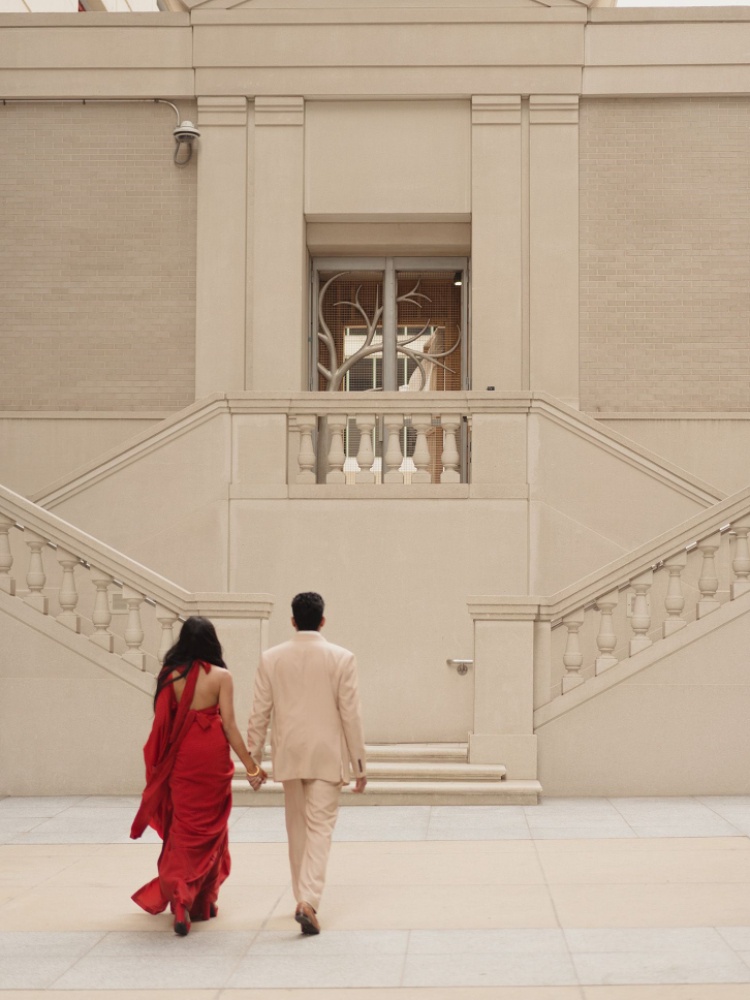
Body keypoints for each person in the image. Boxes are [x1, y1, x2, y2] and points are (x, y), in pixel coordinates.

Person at [130, 616, 266, 936]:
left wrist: (158, 768)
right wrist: (252, 766)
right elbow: (230, 725)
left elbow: (161, 725)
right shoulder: (222, 677)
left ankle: (180, 899)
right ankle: (201, 899)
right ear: (211, 642)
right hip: (213, 759)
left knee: (183, 829)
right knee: (212, 829)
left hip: (184, 759)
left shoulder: (169, 676)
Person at [246, 592, 367, 935]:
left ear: (293, 621)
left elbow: (259, 712)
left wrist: (253, 761)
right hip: (326, 755)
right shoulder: (342, 658)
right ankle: (309, 900)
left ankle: (303, 896)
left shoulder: (271, 658)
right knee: (320, 829)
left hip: (289, 753)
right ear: (323, 620)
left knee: (297, 829)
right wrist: (360, 766)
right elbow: (351, 716)